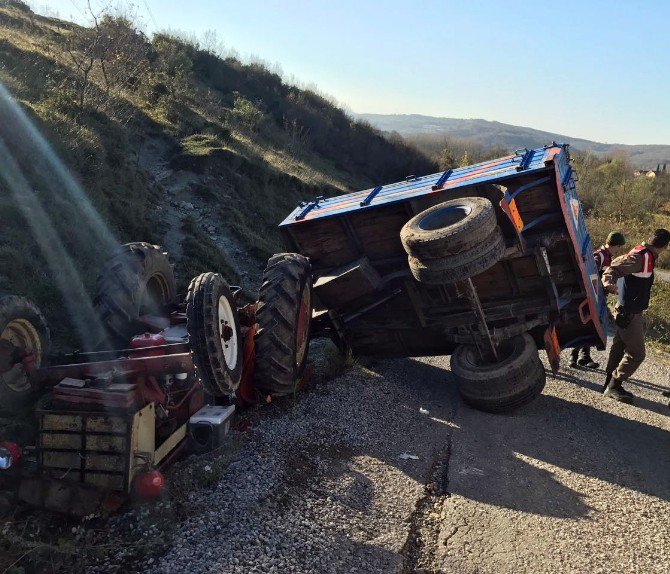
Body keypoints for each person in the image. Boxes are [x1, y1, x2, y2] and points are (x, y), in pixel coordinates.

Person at [601, 228, 670, 403]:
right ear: (665, 246)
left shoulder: (644, 255)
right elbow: (614, 267)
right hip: (629, 312)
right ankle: (614, 385)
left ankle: (609, 382)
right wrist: (608, 282)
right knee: (637, 353)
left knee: (619, 346)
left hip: (628, 310)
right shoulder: (641, 257)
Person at [570, 231, 627, 368]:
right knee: (590, 326)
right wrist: (604, 288)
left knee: (590, 326)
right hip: (591, 298)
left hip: (597, 298)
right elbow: (590, 275)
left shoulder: (606, 256)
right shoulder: (600, 256)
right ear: (617, 245)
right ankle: (576, 357)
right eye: (620, 247)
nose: (619, 250)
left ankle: (583, 357)